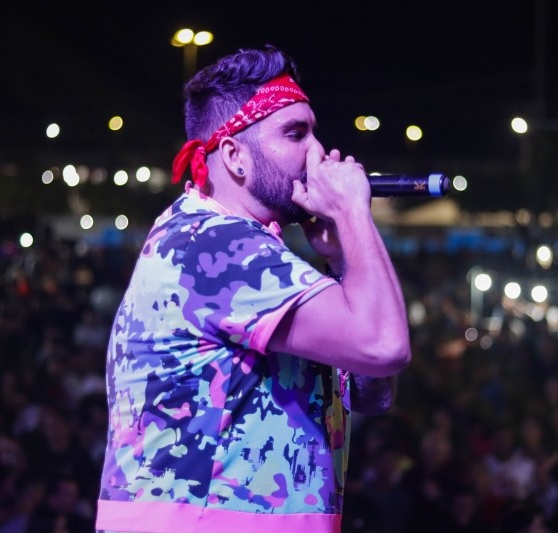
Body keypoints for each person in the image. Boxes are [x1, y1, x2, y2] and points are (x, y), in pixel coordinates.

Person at [95, 44, 411, 533]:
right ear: (234, 155)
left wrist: (344, 256)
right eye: (295, 134)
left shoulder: (233, 244)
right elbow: (385, 345)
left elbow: (372, 387)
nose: (319, 153)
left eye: (314, 132)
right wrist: (353, 212)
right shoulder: (215, 246)